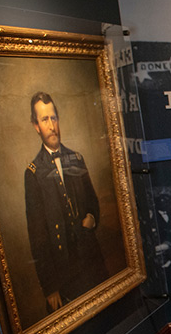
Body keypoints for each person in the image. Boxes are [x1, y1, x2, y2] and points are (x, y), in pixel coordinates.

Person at [25, 91, 108, 313]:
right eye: (44, 119)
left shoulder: (77, 159)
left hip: (91, 260)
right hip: (63, 271)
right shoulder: (33, 174)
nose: (51, 125)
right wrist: (50, 287)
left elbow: (93, 202)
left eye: (53, 118)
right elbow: (37, 236)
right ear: (36, 126)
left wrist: (91, 218)